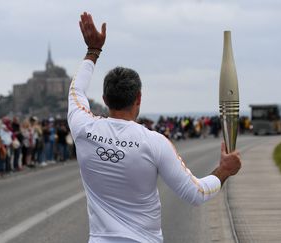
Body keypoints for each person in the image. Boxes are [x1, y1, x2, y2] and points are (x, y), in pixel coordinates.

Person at [68, 12, 242, 243]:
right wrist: (225, 170)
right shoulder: (154, 142)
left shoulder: (83, 127)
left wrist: (93, 51)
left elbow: (76, 92)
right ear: (138, 98)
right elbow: (196, 193)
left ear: (105, 98)